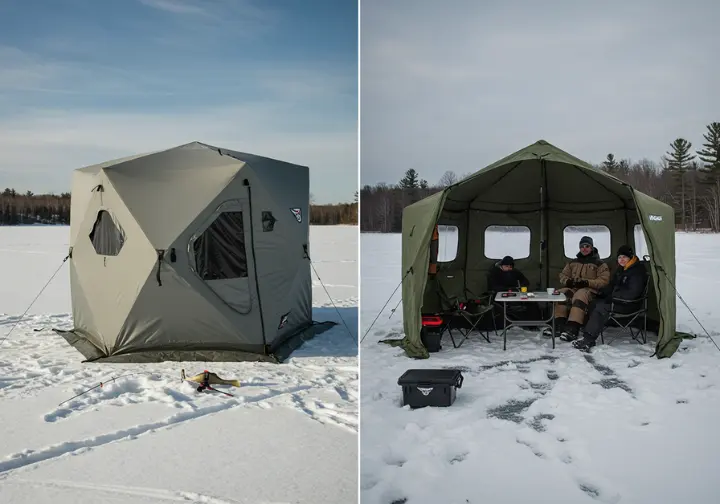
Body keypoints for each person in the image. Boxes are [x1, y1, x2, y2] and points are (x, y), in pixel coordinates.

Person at [572, 245, 648, 351]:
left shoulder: (636, 272)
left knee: (600, 308)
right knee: (593, 303)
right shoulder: (622, 269)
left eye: (624, 257)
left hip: (629, 304)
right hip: (618, 301)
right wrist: (600, 293)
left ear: (630, 257)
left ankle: (588, 340)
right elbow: (612, 286)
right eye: (619, 257)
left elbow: (632, 293)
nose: (622, 260)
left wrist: (613, 298)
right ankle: (587, 331)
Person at [542, 236, 610, 341]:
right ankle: (558, 326)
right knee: (561, 294)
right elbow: (563, 275)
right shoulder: (572, 263)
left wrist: (587, 282)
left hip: (590, 291)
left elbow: (604, 281)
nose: (584, 248)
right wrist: (568, 281)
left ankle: (572, 329)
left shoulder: (600, 264)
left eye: (587, 246)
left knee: (580, 295)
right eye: (582, 246)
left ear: (592, 247)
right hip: (574, 288)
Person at [487, 256, 540, 324]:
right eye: (507, 266)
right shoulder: (494, 272)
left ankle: (533, 323)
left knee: (532, 302)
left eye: (510, 267)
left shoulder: (514, 271)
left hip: (516, 293)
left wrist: (521, 287)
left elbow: (525, 281)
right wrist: (508, 289)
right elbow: (493, 287)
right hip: (500, 295)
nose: (509, 268)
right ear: (502, 265)